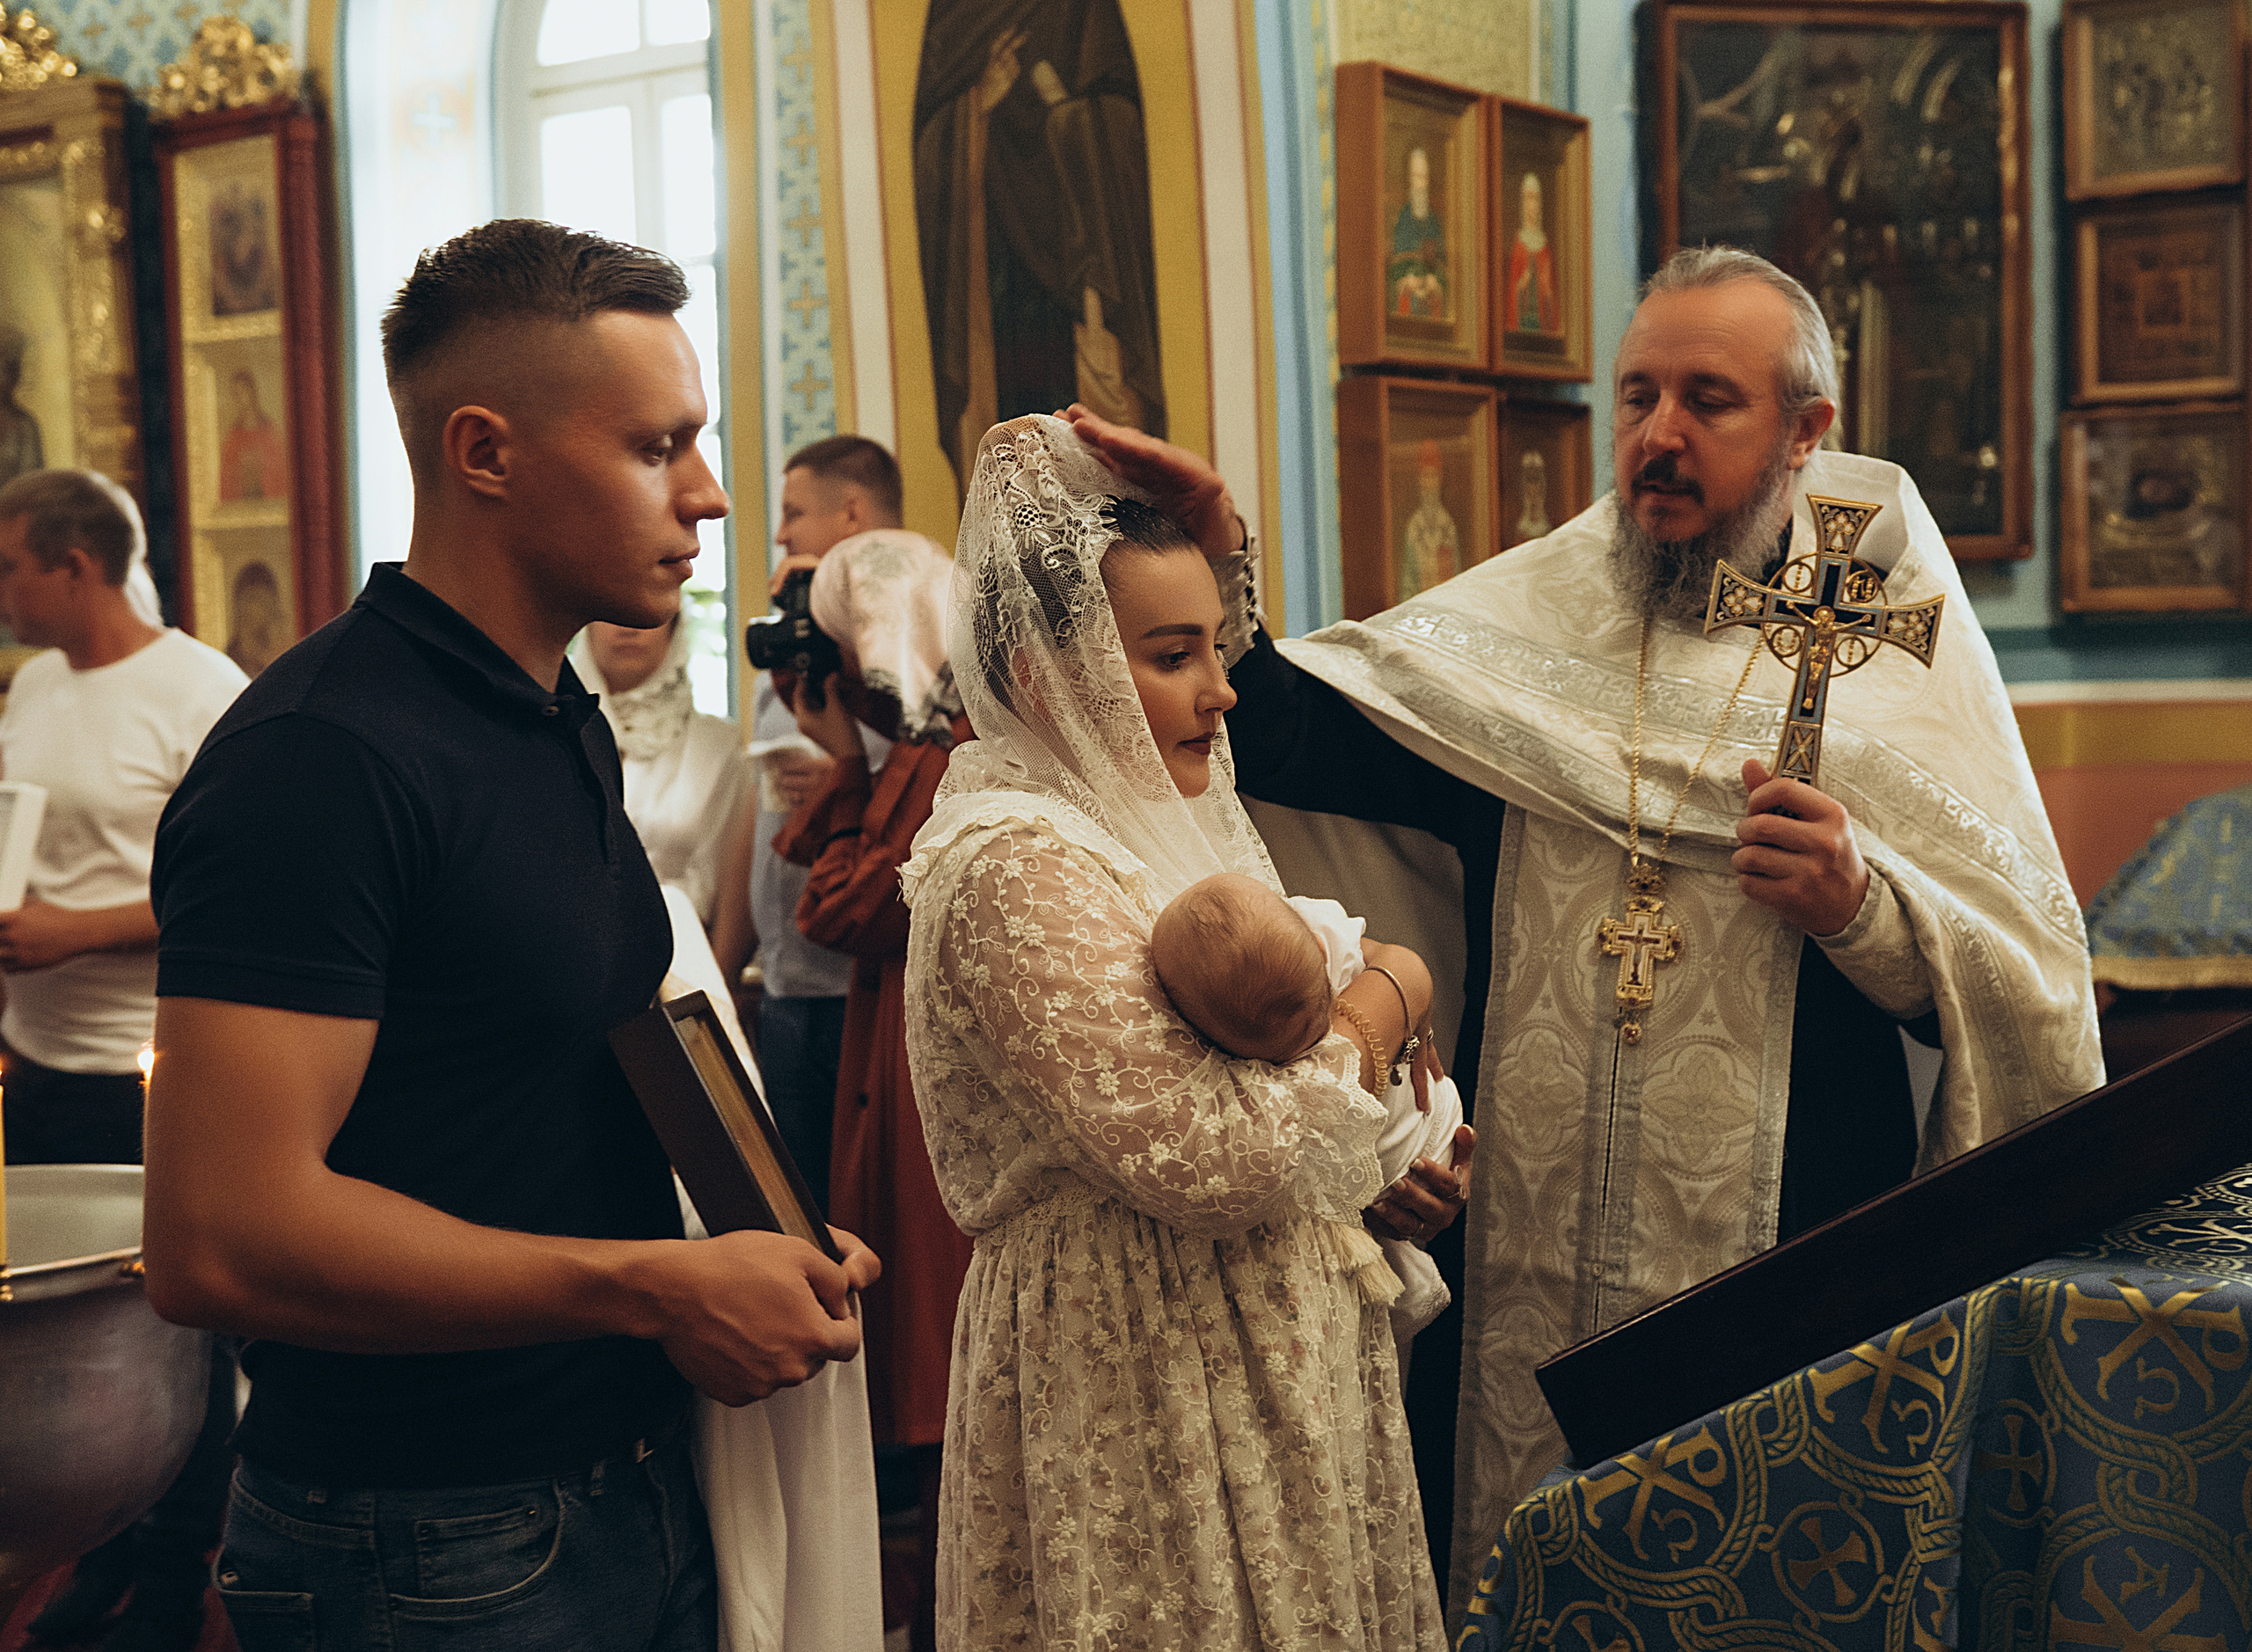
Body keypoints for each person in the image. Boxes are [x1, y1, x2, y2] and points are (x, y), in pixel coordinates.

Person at [1061, 245, 2105, 1600]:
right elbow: (1307, 742)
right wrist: (1222, 554)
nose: (1658, 436)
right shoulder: (1527, 631)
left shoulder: (1881, 663)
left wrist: (1862, 909)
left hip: (1792, 1235)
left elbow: (2018, 982)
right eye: (1637, 395)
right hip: (1518, 1233)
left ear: (1807, 433)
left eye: (1707, 400)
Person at [142, 219, 878, 1652]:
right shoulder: (320, 756)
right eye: (659, 448)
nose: (712, 497)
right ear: (485, 452)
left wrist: (757, 1236)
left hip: (620, 1470)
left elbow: (565, 1053)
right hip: (429, 1537)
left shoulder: (551, 713)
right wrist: (654, 1286)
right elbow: (217, 1241)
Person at [901, 414, 1473, 1649]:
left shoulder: (1176, 828)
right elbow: (1211, 1153)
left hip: (1275, 1376)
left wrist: (1382, 1179)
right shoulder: (1010, 863)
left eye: (1214, 648)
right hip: (1135, 1380)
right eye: (1174, 656)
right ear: (1056, 674)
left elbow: (1291, 1109)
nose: (1221, 691)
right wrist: (1391, 992)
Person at [0, 468, 246, 1652]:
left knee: (163, 1345)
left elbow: (245, 886)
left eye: (8, 566)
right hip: (38, 1053)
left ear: (75, 563)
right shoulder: (36, 681)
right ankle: (87, 1562)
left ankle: (166, 1589)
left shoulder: (201, 692)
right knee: (54, 1361)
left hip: (155, 1063)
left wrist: (75, 930)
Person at [771, 525, 966, 1652]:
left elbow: (844, 905)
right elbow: (817, 860)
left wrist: (853, 760)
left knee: (950, 1410)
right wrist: (850, 749)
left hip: (926, 1099)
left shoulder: (953, 753)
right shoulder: (917, 749)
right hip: (888, 1071)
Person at [710, 434, 900, 1212]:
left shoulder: (910, 648)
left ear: (851, 514)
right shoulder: (793, 650)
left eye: (793, 513)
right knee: (803, 1220)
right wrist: (724, 972)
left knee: (871, 1220)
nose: (780, 533)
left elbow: (948, 781)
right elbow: (757, 820)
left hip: (864, 990)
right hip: (786, 994)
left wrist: (846, 779)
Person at [574, 611, 753, 939]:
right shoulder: (555, 734)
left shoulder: (716, 745)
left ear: (674, 627)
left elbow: (734, 890)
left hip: (684, 962)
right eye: (611, 611)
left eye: (645, 615)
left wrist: (717, 983)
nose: (628, 627)